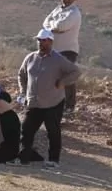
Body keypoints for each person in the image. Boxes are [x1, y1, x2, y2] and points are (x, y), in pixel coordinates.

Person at [15, 29, 81, 168]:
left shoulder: (58, 59)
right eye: (39, 40)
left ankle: (53, 160)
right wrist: (23, 92)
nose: (40, 43)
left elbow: (75, 71)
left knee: (53, 131)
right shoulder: (30, 57)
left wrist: (63, 82)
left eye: (44, 40)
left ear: (50, 42)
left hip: (53, 102)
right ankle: (23, 159)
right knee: (26, 130)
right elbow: (21, 75)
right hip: (34, 102)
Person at [43, 0, 82, 116]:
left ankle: (69, 106)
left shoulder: (74, 13)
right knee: (53, 75)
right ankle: (56, 103)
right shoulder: (57, 9)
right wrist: (53, 27)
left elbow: (61, 26)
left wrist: (53, 26)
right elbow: (45, 22)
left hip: (68, 49)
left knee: (67, 76)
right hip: (55, 49)